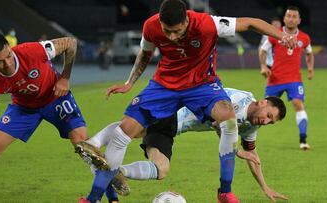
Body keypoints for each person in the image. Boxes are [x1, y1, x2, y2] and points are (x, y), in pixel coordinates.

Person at [76, 0, 296, 202]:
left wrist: (281, 36)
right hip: (164, 85)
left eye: (177, 31)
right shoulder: (151, 26)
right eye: (167, 31)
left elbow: (250, 23)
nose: (171, 37)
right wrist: (130, 83)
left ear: (187, 21)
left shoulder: (207, 24)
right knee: (126, 131)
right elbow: (145, 54)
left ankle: (225, 191)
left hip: (202, 85)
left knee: (227, 119)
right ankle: (93, 194)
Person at [80, 88, 289, 202]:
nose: (267, 121)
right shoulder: (239, 101)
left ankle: (115, 172)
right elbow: (219, 125)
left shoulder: (253, 125)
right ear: (262, 102)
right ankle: (93, 145)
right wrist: (239, 151)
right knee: (131, 129)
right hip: (172, 108)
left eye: (271, 122)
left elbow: (254, 157)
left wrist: (265, 187)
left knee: (161, 168)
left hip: (172, 128)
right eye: (269, 115)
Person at [0, 32, 89, 183]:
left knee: (82, 143)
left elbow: (71, 42)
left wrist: (65, 77)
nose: (8, 64)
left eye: (9, 56)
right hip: (24, 109)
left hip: (55, 97)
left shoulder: (32, 51)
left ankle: (107, 191)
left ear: (10, 48)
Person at [259, 6, 314, 150]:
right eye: (288, 16)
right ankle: (249, 139)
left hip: (294, 79)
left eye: (294, 16)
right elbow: (263, 51)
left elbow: (309, 54)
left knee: (298, 104)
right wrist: (264, 66)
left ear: (299, 20)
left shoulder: (304, 38)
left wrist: (310, 68)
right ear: (284, 18)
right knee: (264, 108)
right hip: (275, 79)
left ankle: (303, 140)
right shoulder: (275, 35)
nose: (291, 19)